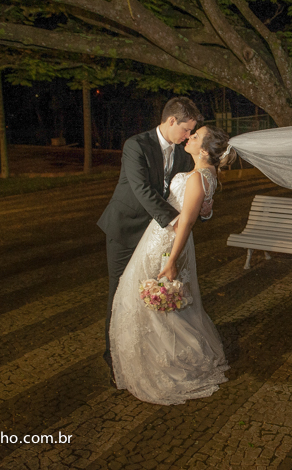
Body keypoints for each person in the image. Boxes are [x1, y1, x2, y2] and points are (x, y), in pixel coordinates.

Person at [108, 125, 237, 404]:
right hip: (165, 237)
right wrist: (207, 208)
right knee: (168, 304)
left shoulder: (196, 177)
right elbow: (198, 206)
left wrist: (171, 260)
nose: (189, 137)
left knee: (146, 297)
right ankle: (161, 353)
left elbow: (188, 221)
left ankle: (163, 361)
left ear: (204, 150)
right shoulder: (207, 173)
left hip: (166, 243)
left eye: (195, 136)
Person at [96, 97, 206, 385]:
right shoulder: (136, 145)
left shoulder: (183, 154)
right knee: (119, 293)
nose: (187, 137)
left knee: (146, 296)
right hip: (125, 229)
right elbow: (142, 189)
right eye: (186, 130)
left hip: (154, 238)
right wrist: (176, 221)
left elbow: (189, 193)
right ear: (171, 121)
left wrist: (200, 212)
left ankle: (144, 354)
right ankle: (113, 357)